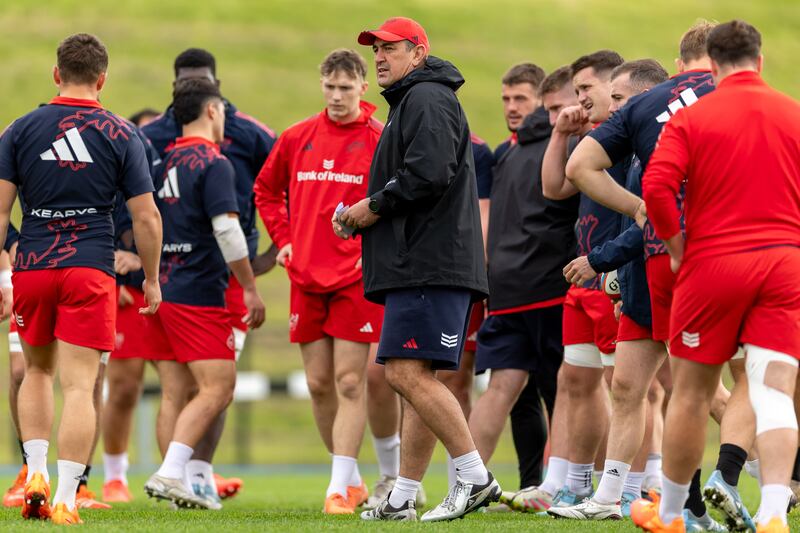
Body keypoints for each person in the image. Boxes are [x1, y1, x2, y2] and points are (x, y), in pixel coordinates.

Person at [556, 21, 754, 531]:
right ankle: (619, 494)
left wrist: (614, 245)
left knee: (700, 388)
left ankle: (749, 479)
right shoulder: (746, 101)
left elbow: (576, 171)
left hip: (692, 262)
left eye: (618, 96)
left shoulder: (658, 107)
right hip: (685, 261)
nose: (615, 105)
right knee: (636, 384)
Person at [631, 20, 800, 533]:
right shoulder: (793, 114)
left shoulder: (694, 116)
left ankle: (673, 515)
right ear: (760, 61)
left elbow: (657, 186)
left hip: (713, 265)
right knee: (774, 389)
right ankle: (774, 512)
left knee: (691, 394)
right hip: (783, 265)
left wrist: (678, 248)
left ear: (713, 66)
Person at [338, 16, 498, 522]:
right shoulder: (414, 99)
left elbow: (429, 174)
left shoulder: (427, 97)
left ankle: (474, 477)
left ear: (419, 53)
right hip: (422, 261)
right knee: (416, 376)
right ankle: (404, 496)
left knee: (407, 374)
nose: (379, 57)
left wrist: (371, 208)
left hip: (429, 262)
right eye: (376, 50)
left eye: (390, 48)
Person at [0, 33, 162, 525]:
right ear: (102, 79)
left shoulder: (19, 130)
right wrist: (150, 279)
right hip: (90, 268)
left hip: (32, 267)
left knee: (37, 372)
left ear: (56, 75)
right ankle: (68, 497)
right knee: (79, 385)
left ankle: (35, 473)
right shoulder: (120, 132)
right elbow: (147, 218)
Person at [125, 47, 276, 504]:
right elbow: (228, 230)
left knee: (180, 389)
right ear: (213, 109)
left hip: (168, 285)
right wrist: (251, 285)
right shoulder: (214, 163)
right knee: (218, 386)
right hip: (202, 290)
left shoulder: (166, 159)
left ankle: (183, 481)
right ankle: (174, 474)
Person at [254, 48, 385, 514]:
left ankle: (337, 488)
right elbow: (266, 191)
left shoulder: (379, 138)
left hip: (355, 278)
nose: (336, 96)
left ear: (363, 89)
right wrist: (284, 239)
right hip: (304, 276)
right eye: (329, 87)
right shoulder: (297, 136)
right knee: (318, 383)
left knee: (351, 381)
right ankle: (350, 479)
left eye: (346, 88)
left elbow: (398, 201)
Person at [467, 62, 576, 502]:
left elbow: (486, 227)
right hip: (549, 287)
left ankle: (468, 482)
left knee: (504, 388)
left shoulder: (507, 153)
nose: (513, 108)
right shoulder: (560, 146)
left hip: (507, 288)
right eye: (506, 100)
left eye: (521, 100)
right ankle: (575, 486)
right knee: (572, 389)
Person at [537, 49, 625, 512]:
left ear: (614, 87)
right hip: (583, 277)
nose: (579, 100)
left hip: (615, 275)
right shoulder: (588, 139)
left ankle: (638, 485)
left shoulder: (631, 137)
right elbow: (553, 188)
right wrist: (559, 133)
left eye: (585, 89)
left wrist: (612, 265)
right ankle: (576, 483)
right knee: (576, 381)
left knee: (632, 387)